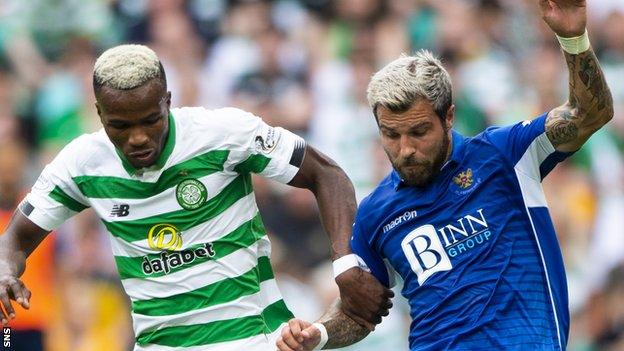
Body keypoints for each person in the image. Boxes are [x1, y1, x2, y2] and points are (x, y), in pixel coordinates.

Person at [0, 44, 393, 350]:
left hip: (254, 340)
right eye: (121, 125)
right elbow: (15, 239)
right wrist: (5, 269)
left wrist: (345, 263)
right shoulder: (80, 163)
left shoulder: (223, 133)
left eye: (151, 119)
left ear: (168, 100)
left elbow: (326, 173)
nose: (138, 137)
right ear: (100, 114)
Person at [276, 1, 614, 350]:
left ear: (448, 117)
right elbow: (359, 311)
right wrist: (318, 334)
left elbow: (590, 113)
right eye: (391, 134)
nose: (405, 148)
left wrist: (574, 39)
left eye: (419, 132)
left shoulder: (504, 154)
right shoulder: (376, 212)